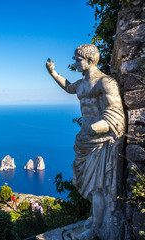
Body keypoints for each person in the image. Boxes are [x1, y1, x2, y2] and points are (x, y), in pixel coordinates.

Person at [46, 44, 125, 239]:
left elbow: (116, 115)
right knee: (87, 185)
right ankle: (95, 220)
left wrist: (95, 127)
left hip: (99, 141)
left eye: (78, 60)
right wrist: (53, 73)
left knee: (98, 187)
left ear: (90, 60)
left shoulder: (106, 83)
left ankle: (95, 230)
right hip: (85, 141)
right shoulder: (81, 84)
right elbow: (67, 86)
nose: (75, 63)